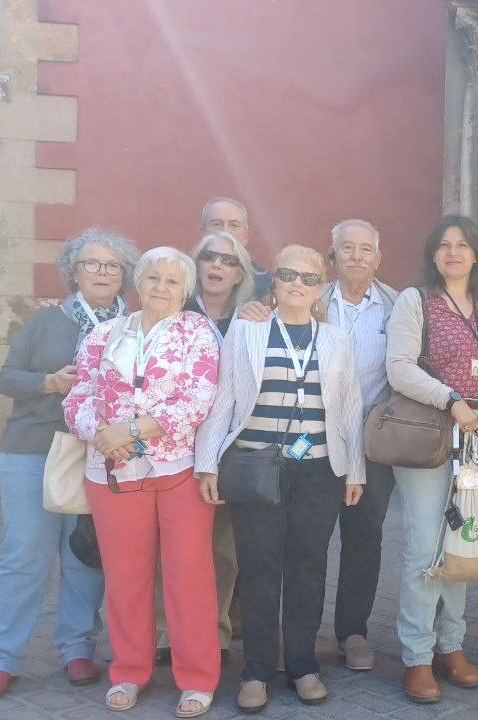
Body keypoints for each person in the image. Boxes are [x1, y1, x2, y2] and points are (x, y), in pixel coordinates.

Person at [0, 229, 138, 702]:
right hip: (34, 450)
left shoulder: (136, 326)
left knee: (84, 556)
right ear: (73, 272)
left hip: (98, 454)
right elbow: (6, 378)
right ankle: (2, 658)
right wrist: (48, 383)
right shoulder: (45, 320)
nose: (102, 272)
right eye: (91, 264)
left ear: (124, 275)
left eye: (112, 265)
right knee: (25, 555)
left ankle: (77, 648)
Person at [195, 244, 365, 711]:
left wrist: (355, 469)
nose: (298, 284)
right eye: (289, 274)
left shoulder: (335, 339)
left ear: (320, 287)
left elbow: (350, 407)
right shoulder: (247, 330)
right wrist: (207, 463)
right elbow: (224, 398)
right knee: (260, 567)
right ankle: (256, 670)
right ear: (275, 280)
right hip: (256, 466)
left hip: (319, 471)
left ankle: (303, 665)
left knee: (309, 564)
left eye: (309, 278)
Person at [63, 246, 220, 717]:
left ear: (185, 289)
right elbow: (77, 397)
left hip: (177, 471)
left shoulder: (197, 332)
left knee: (188, 575)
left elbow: (199, 397)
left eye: (172, 281)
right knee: (126, 578)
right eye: (153, 277)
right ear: (139, 282)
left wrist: (131, 430)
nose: (161, 287)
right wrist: (102, 434)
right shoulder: (104, 334)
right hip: (112, 472)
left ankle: (197, 677)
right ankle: (129, 671)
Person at [385, 215, 478, 703]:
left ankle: (450, 646)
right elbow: (398, 368)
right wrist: (450, 399)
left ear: (476, 254)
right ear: (433, 254)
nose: (453, 252)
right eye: (444, 245)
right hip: (433, 429)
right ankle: (417, 655)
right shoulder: (415, 300)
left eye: (463, 245)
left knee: (463, 539)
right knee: (424, 546)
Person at [154, 230, 256, 667]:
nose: (217, 266)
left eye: (229, 261)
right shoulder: (172, 313)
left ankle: (215, 634)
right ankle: (166, 634)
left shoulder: (251, 320)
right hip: (173, 446)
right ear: (195, 266)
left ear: (240, 274)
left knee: (222, 550)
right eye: (209, 257)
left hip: (228, 448)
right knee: (172, 547)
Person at [321, 219, 399, 671]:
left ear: (378, 257)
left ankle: (352, 632)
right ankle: (298, 631)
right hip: (315, 439)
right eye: (347, 248)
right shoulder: (311, 300)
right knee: (307, 539)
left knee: (364, 538)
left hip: (371, 440)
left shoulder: (396, 306)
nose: (356, 256)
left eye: (365, 249)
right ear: (332, 256)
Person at [201, 196, 270, 297]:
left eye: (234, 225)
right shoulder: (184, 276)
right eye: (216, 224)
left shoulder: (265, 284)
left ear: (246, 236)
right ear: (203, 232)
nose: (225, 231)